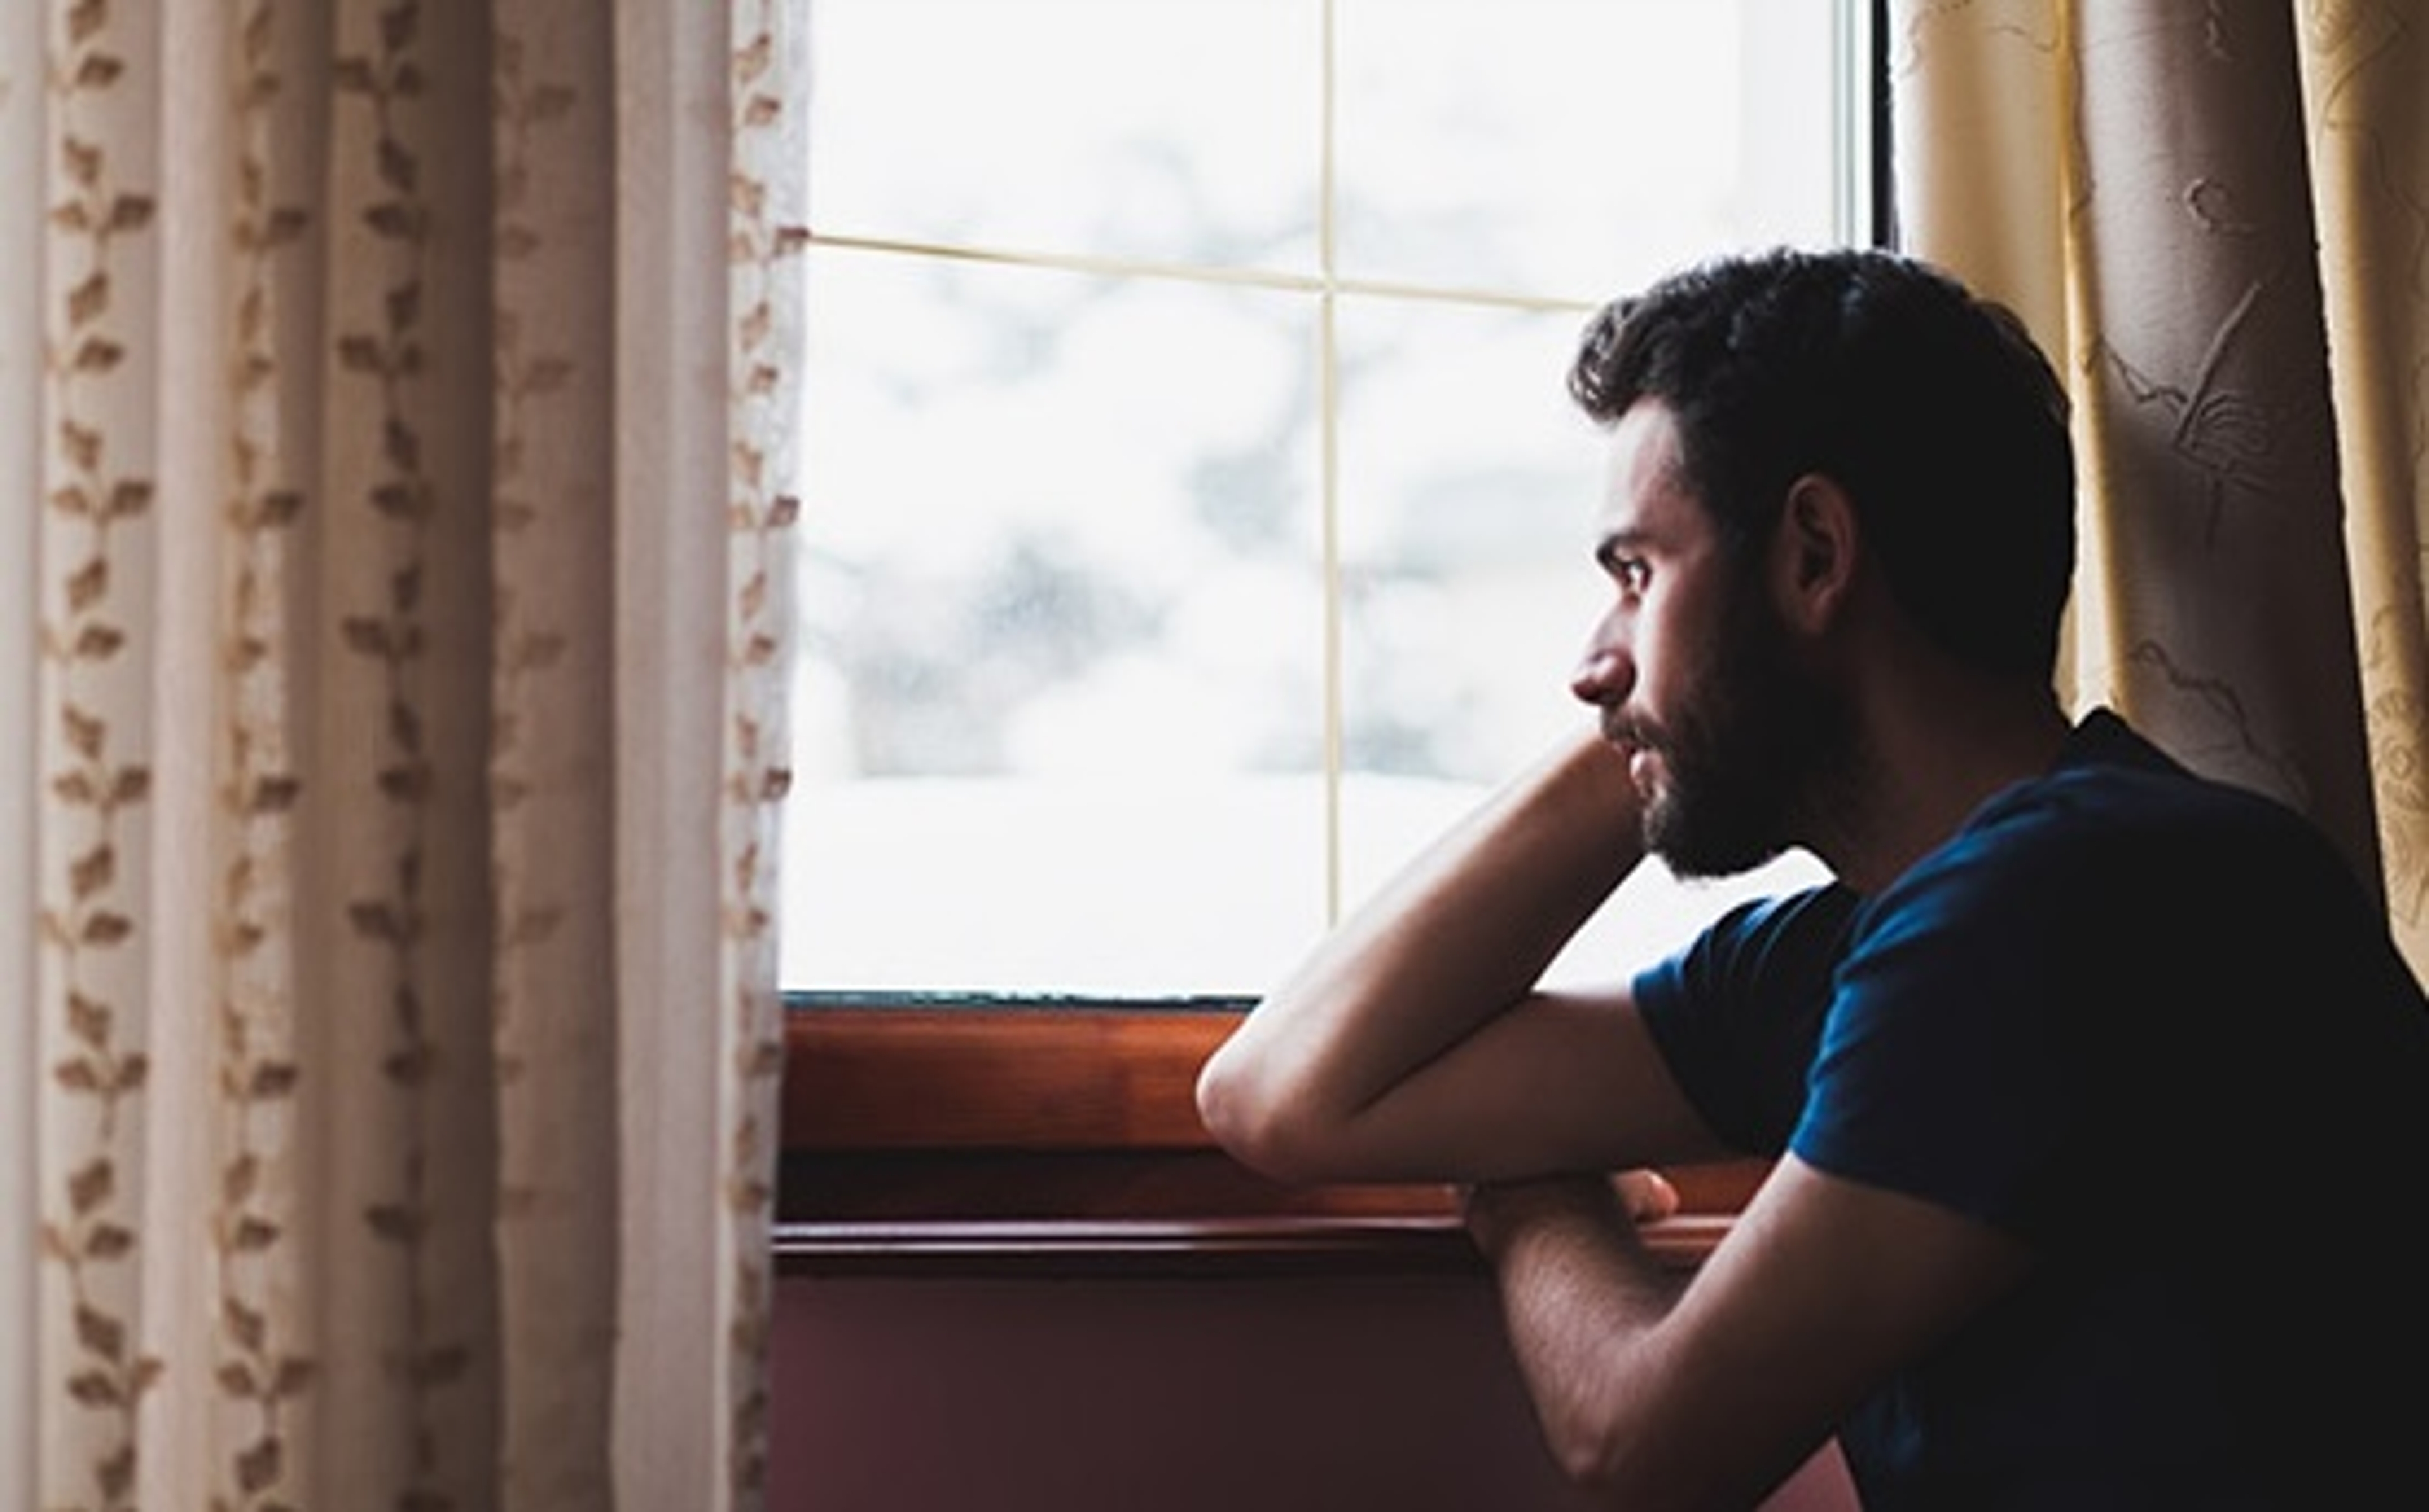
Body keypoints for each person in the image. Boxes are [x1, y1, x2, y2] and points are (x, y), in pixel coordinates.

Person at [1194, 246, 2429, 1509]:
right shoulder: (1865, 944)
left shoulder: (2081, 898)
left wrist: (1530, 1201)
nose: (1589, 665)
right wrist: (1667, 698)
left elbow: (1640, 1449)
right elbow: (1280, 1095)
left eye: (1636, 575)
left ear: (1814, 556)